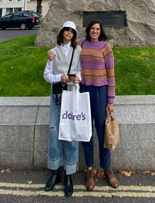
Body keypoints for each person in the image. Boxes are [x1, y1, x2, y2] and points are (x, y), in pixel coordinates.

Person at [48, 20, 119, 191]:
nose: (95, 31)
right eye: (92, 29)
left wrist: (111, 100)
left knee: (102, 130)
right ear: (88, 31)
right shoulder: (82, 44)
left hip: (100, 92)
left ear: (100, 31)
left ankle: (107, 168)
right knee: (85, 130)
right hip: (83, 91)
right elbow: (65, 45)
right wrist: (51, 53)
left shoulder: (106, 47)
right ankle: (89, 170)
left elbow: (111, 74)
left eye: (97, 29)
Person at [43, 21, 82, 197]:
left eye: (71, 31)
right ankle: (55, 170)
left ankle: (69, 173)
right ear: (61, 33)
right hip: (58, 95)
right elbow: (47, 75)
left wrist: (77, 78)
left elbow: (81, 70)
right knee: (54, 129)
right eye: (66, 30)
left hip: (72, 96)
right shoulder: (53, 52)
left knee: (71, 132)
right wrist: (60, 77)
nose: (69, 33)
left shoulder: (78, 50)